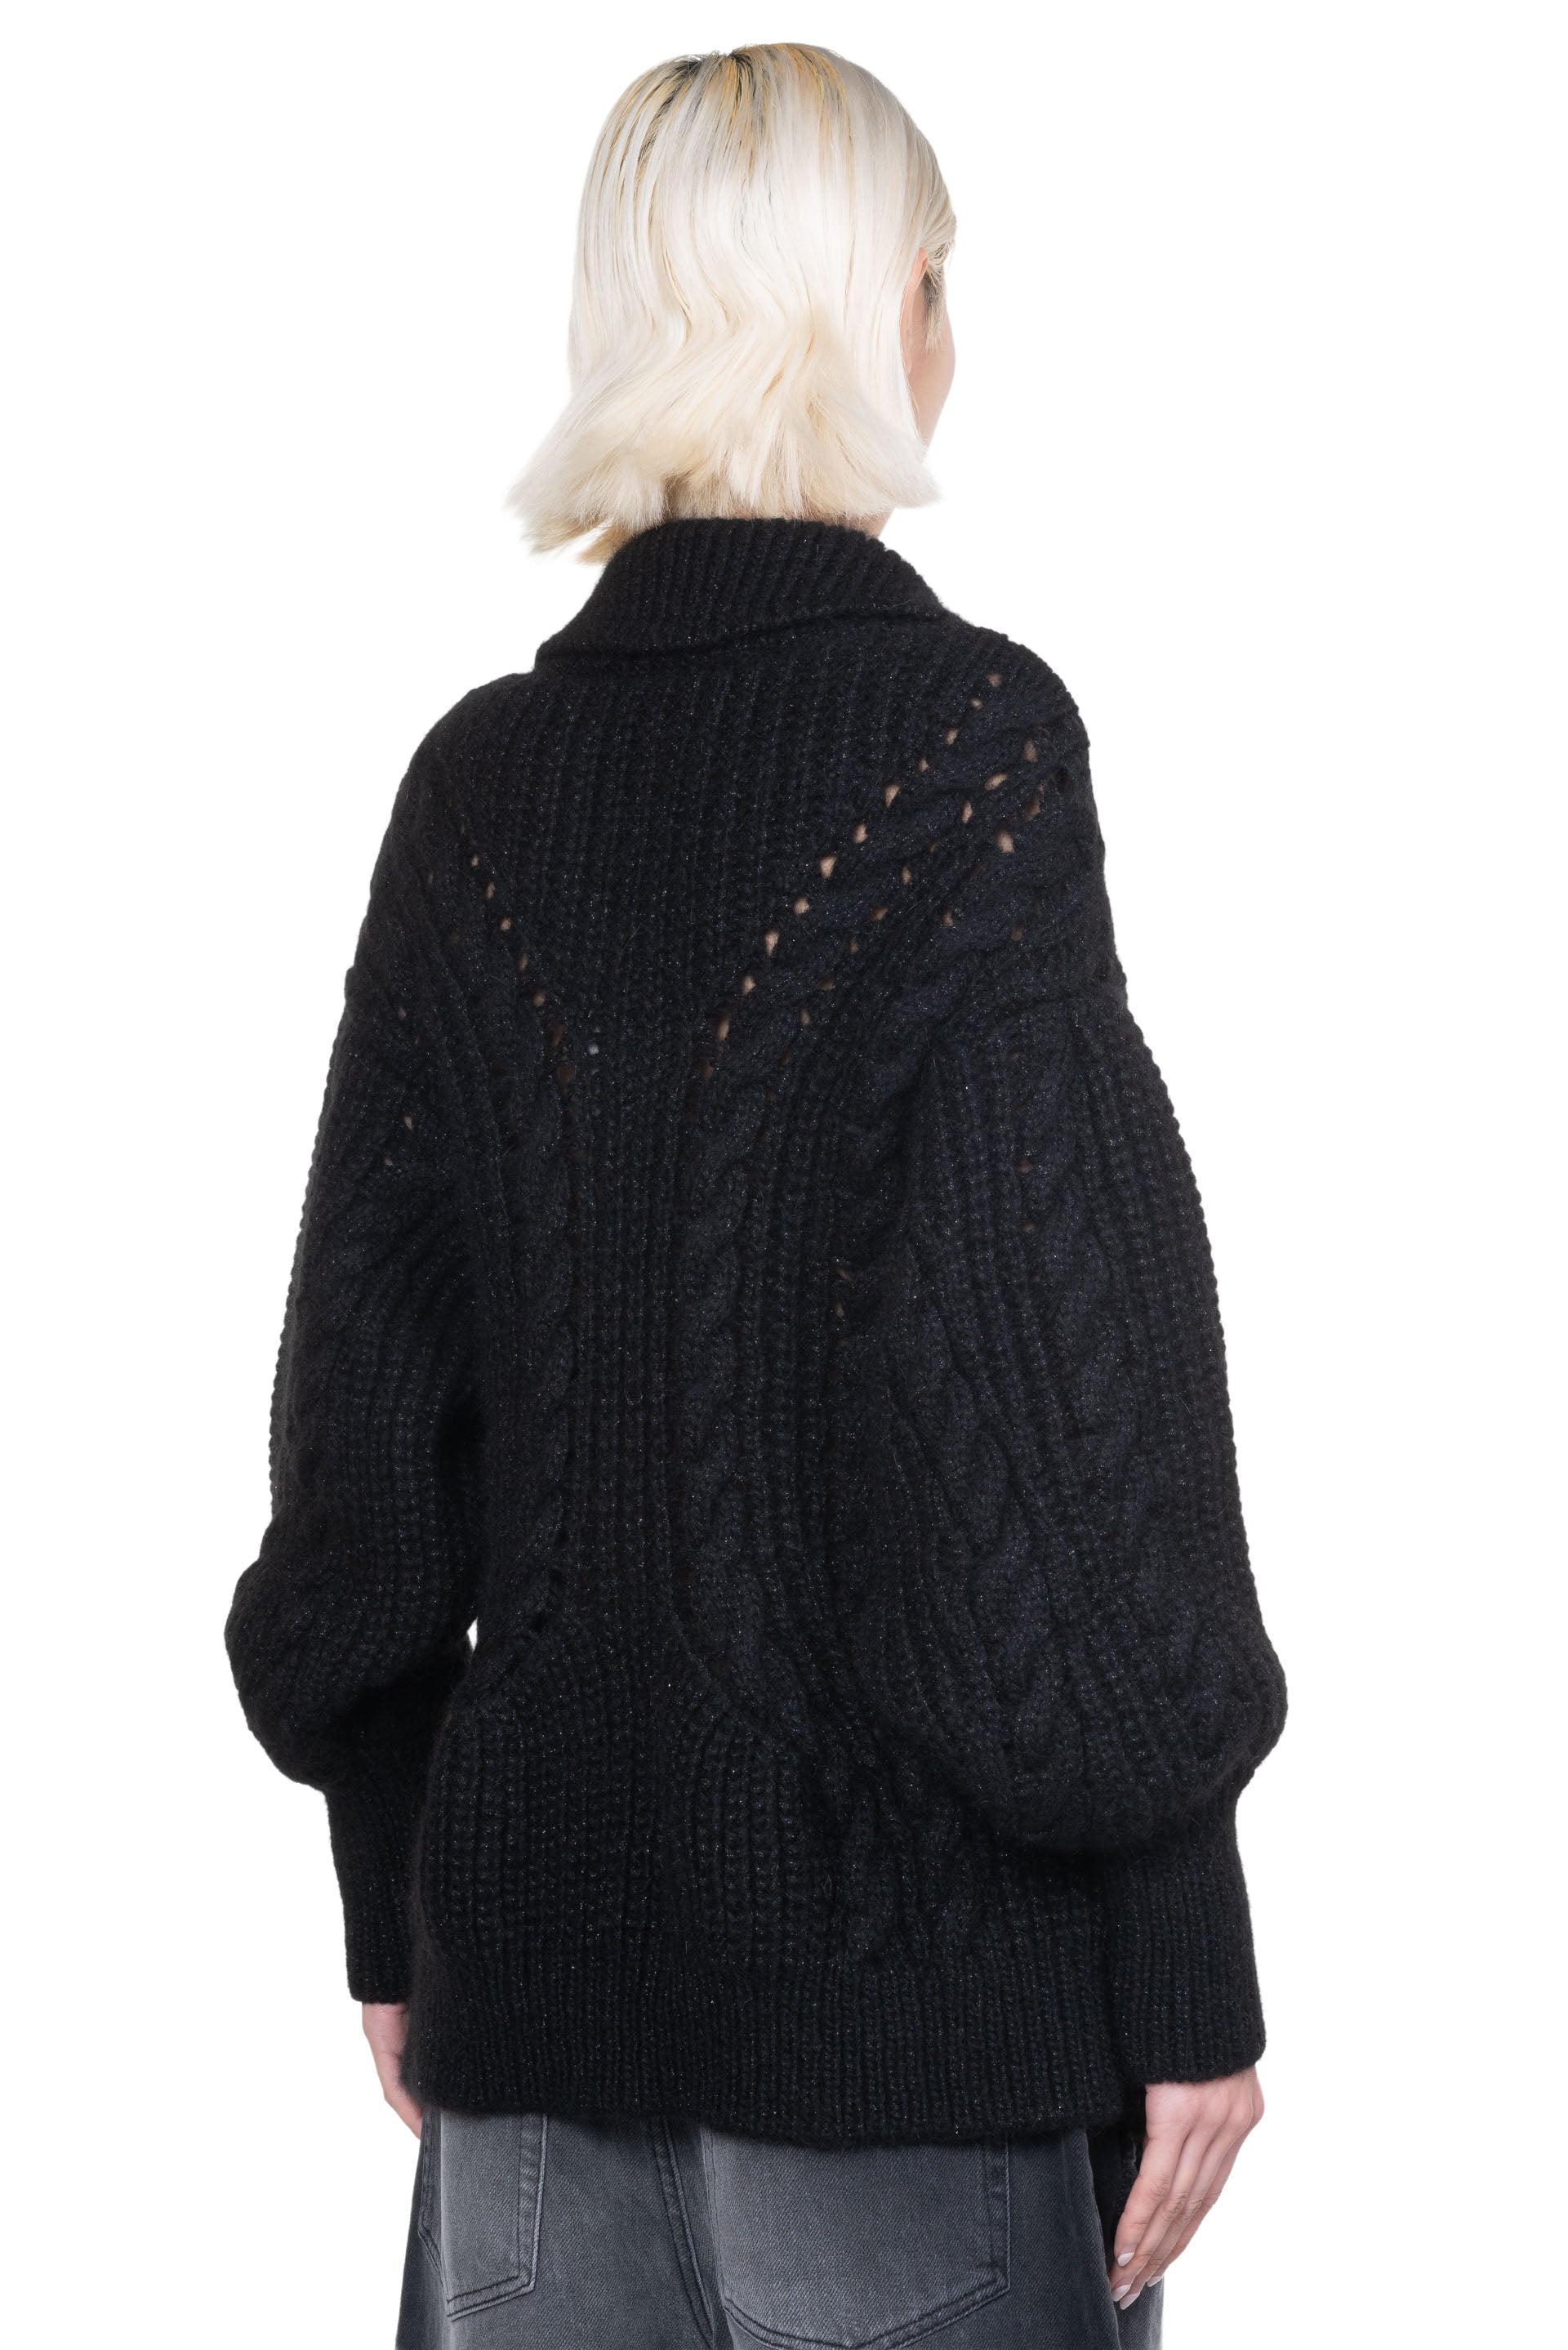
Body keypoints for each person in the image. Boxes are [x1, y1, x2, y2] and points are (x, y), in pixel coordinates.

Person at [225, 43, 1286, 2348]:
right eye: (939, 278)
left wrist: (391, 1900)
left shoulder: (475, 795)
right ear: (878, 310)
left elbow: (359, 1446)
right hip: (913, 2064)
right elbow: (1070, 1415)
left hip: (523, 2067)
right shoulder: (965, 755)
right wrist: (1185, 1945)